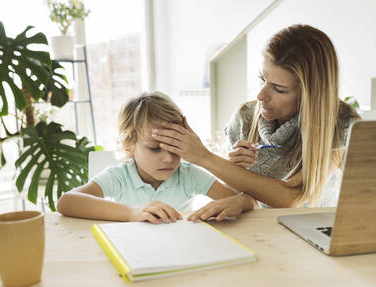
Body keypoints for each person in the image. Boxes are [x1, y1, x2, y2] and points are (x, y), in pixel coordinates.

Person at [151, 24, 361, 219]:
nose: (261, 95)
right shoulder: (245, 117)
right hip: (256, 228)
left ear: (311, 94)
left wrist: (204, 157)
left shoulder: (341, 124)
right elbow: (235, 195)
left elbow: (291, 198)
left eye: (278, 89)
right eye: (262, 79)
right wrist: (233, 170)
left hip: (311, 233)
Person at [56, 92, 255, 224]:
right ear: (129, 147)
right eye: (154, 148)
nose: (169, 158)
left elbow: (246, 201)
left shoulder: (188, 174)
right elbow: (66, 202)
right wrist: (132, 212)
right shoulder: (118, 177)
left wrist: (237, 203)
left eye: (175, 148)